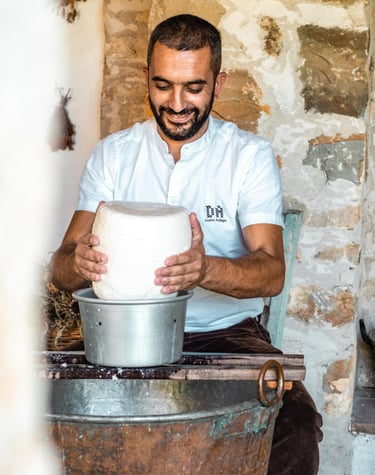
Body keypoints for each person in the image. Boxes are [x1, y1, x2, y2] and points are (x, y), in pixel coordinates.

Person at [50, 13, 323, 474]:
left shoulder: (247, 156)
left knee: (293, 425)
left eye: (193, 87)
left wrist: (204, 270)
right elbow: (60, 270)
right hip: (117, 334)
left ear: (218, 84)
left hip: (224, 336)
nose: (176, 103)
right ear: (146, 80)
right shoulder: (114, 155)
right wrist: (80, 262)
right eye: (162, 86)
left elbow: (271, 271)